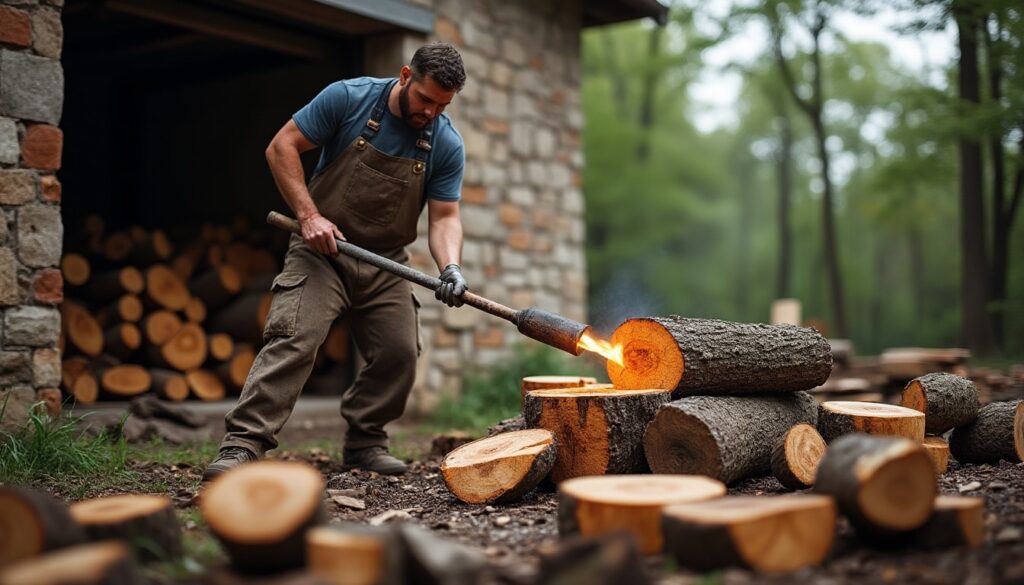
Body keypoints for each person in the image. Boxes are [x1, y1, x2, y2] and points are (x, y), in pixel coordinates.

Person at [202, 43, 469, 480]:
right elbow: (281, 147)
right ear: (405, 76)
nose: (431, 113)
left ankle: (365, 443)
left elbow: (445, 217)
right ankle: (243, 444)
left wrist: (451, 268)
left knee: (399, 353)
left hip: (386, 263)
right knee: (295, 338)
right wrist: (309, 216)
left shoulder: (445, 141)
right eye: (425, 100)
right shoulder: (348, 97)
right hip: (320, 254)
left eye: (442, 105)